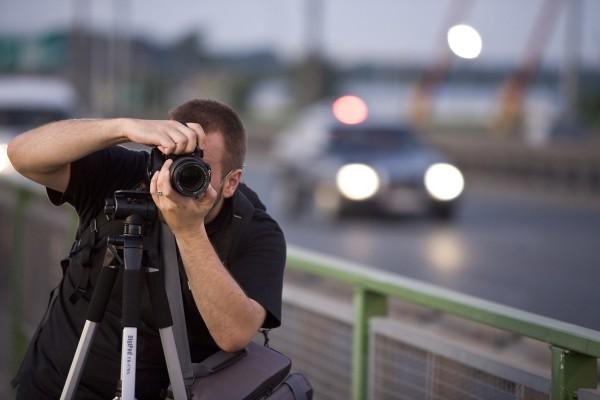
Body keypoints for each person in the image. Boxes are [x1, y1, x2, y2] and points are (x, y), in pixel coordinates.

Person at [7, 99, 286, 399]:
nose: (175, 176)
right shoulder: (125, 174)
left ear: (232, 182)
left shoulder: (255, 232)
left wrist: (189, 231)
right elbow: (21, 155)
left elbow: (234, 335)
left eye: (196, 169)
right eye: (170, 160)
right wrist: (122, 127)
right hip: (54, 385)